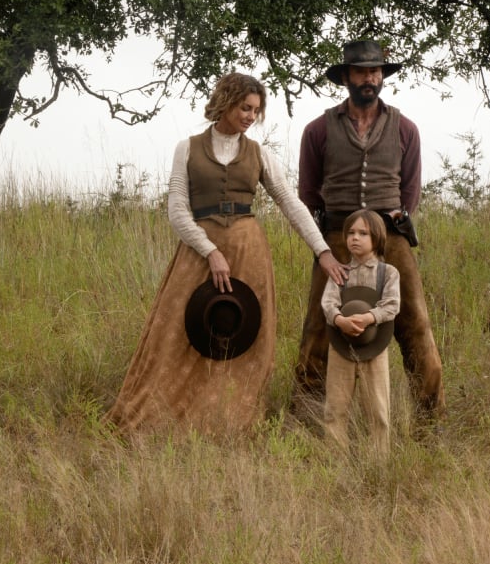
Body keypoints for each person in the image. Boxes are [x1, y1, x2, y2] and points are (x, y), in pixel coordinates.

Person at [108, 72, 347, 433]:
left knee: (241, 336)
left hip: (248, 252)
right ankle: (169, 418)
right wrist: (210, 251)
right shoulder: (186, 148)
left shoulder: (259, 153)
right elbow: (176, 210)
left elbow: (289, 203)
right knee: (179, 334)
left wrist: (324, 251)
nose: (250, 116)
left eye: (256, 110)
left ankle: (229, 423)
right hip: (197, 253)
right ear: (226, 102)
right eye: (244, 107)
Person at [294, 39, 445, 423]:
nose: (370, 78)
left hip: (390, 238)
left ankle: (430, 420)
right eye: (361, 71)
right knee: (318, 325)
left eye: (376, 71)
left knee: (414, 324)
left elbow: (411, 189)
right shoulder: (318, 130)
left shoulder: (405, 128)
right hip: (336, 238)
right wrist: (329, 242)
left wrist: (386, 228)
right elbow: (308, 191)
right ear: (346, 77)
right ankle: (308, 418)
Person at [321, 209, 400, 456]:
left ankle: (378, 462)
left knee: (378, 410)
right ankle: (336, 462)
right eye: (351, 233)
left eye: (363, 233)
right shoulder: (340, 272)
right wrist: (340, 320)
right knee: (335, 408)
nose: (355, 238)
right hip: (341, 348)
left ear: (377, 238)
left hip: (375, 349)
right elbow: (328, 303)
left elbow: (392, 304)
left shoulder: (388, 273)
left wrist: (368, 318)